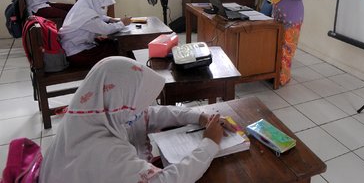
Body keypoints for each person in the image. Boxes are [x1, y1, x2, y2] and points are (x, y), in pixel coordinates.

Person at [39, 56, 232, 182]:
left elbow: (152, 114)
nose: (141, 110)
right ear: (122, 102)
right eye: (138, 104)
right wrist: (209, 143)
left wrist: (199, 116)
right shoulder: (105, 152)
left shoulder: (96, 111)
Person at [59, 0, 131, 67]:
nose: (103, 8)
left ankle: (132, 71)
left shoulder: (83, 8)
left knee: (116, 44)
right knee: (121, 48)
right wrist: (122, 23)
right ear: (96, 2)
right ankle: (132, 72)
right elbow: (106, 30)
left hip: (77, 47)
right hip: (78, 54)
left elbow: (99, 16)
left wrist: (111, 19)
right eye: (102, 6)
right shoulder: (87, 16)